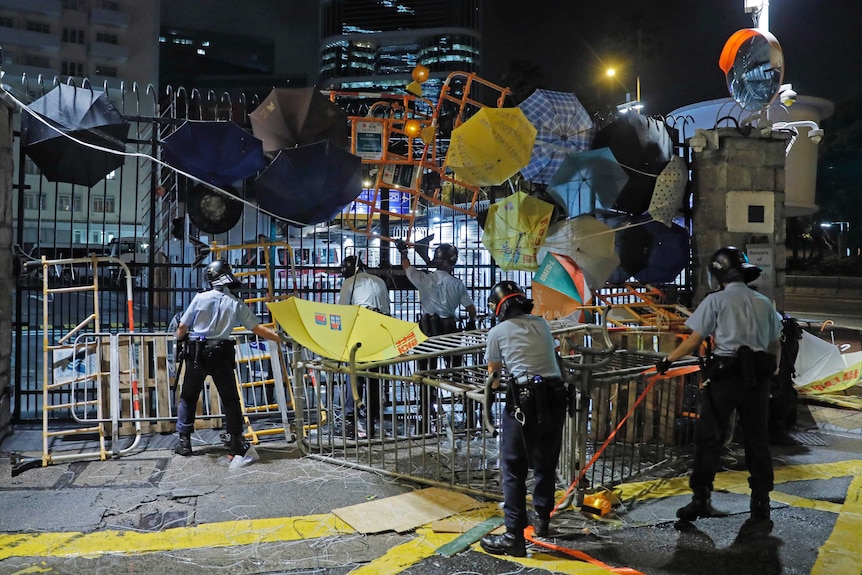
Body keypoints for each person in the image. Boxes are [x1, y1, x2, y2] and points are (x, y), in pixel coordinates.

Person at [656, 246, 782, 523]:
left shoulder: (716, 300)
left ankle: (701, 499)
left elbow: (693, 340)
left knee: (709, 437)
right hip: (758, 377)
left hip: (726, 375)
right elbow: (775, 343)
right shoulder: (764, 302)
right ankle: (761, 501)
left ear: (718, 274)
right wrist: (772, 372)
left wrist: (668, 359)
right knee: (757, 439)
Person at [479, 281, 567, 557]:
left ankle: (513, 536)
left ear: (499, 307)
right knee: (545, 463)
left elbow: (494, 375)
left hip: (525, 402)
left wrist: (489, 396)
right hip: (555, 397)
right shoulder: (541, 324)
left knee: (514, 468)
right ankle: (542, 521)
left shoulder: (497, 332)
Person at [174, 259, 285, 458]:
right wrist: (280, 339)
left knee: (189, 397)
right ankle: (235, 441)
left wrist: (179, 339)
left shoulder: (200, 298)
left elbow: (182, 327)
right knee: (231, 400)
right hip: (222, 354)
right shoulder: (235, 302)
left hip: (197, 353)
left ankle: (184, 442)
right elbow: (257, 328)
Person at [395, 241, 477, 430]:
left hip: (428, 331)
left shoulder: (424, 279)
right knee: (456, 371)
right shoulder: (457, 284)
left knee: (425, 373)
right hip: (450, 331)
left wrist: (403, 251)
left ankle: (425, 410)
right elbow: (471, 309)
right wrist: (471, 321)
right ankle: (468, 409)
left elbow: (407, 267)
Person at [337, 255, 391, 438]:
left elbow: (343, 311)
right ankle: (373, 414)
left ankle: (351, 415)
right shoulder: (379, 281)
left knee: (355, 374)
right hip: (379, 326)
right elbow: (387, 309)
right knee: (374, 375)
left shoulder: (349, 283)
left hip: (361, 325)